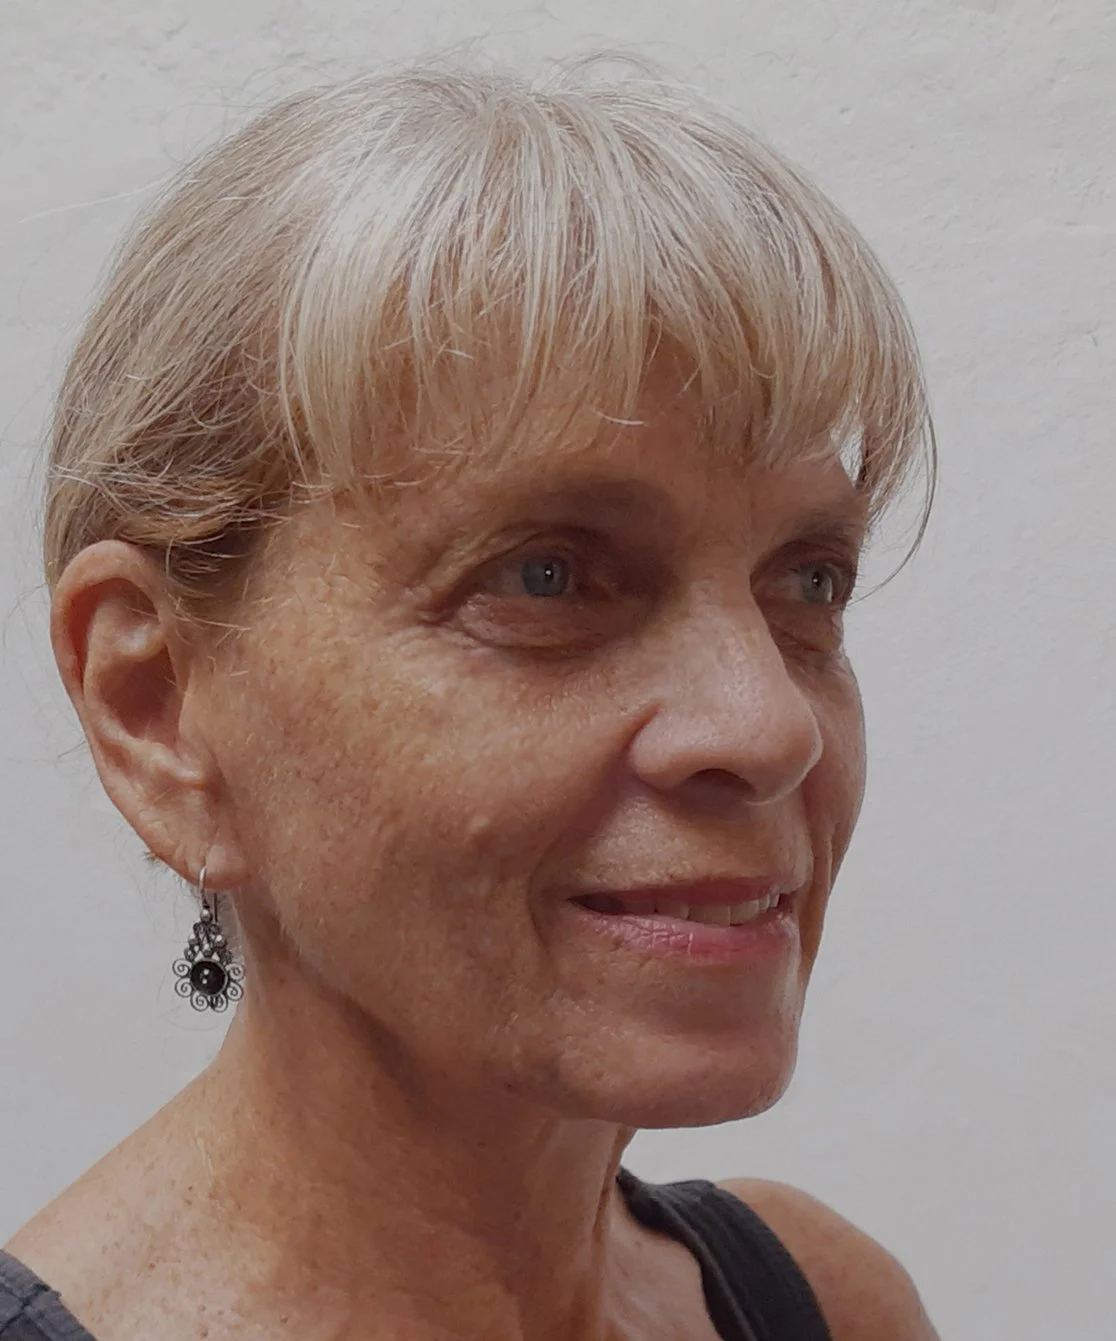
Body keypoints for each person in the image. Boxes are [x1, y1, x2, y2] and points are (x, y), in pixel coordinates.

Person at [1, 59, 939, 1341]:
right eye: (547, 577)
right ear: (159, 709)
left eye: (809, 581)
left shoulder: (821, 1302)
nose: (768, 726)